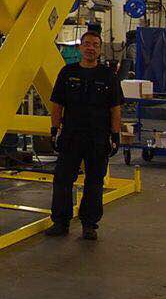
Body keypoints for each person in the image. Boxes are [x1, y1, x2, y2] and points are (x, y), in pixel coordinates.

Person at [45, 29, 123, 241]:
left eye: (95, 45)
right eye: (87, 44)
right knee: (62, 179)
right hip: (71, 135)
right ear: (80, 47)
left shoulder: (108, 76)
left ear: (100, 49)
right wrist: (54, 130)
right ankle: (60, 222)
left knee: (94, 182)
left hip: (98, 137)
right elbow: (57, 105)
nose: (91, 48)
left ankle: (89, 225)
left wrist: (115, 135)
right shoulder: (67, 73)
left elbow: (115, 108)